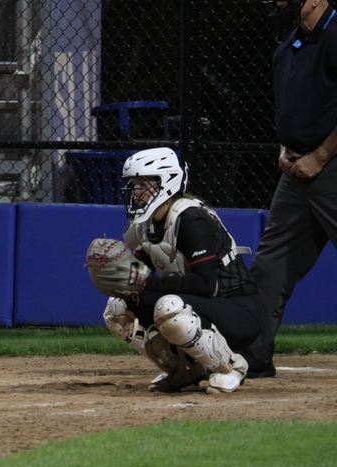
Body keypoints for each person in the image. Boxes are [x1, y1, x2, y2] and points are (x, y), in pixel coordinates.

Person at [97, 148, 261, 394]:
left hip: (238, 309)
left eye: (144, 183)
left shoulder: (191, 218)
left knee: (169, 306)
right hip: (201, 305)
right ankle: (182, 369)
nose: (136, 191)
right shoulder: (143, 225)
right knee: (117, 308)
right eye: (134, 184)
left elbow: (206, 284)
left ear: (167, 182)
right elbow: (142, 275)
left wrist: (143, 281)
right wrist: (120, 277)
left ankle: (230, 368)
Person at [242, 0, 337, 378]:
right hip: (297, 175)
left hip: (331, 167)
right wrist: (287, 150)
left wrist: (320, 156)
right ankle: (253, 356)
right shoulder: (289, 46)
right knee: (270, 266)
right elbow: (291, 110)